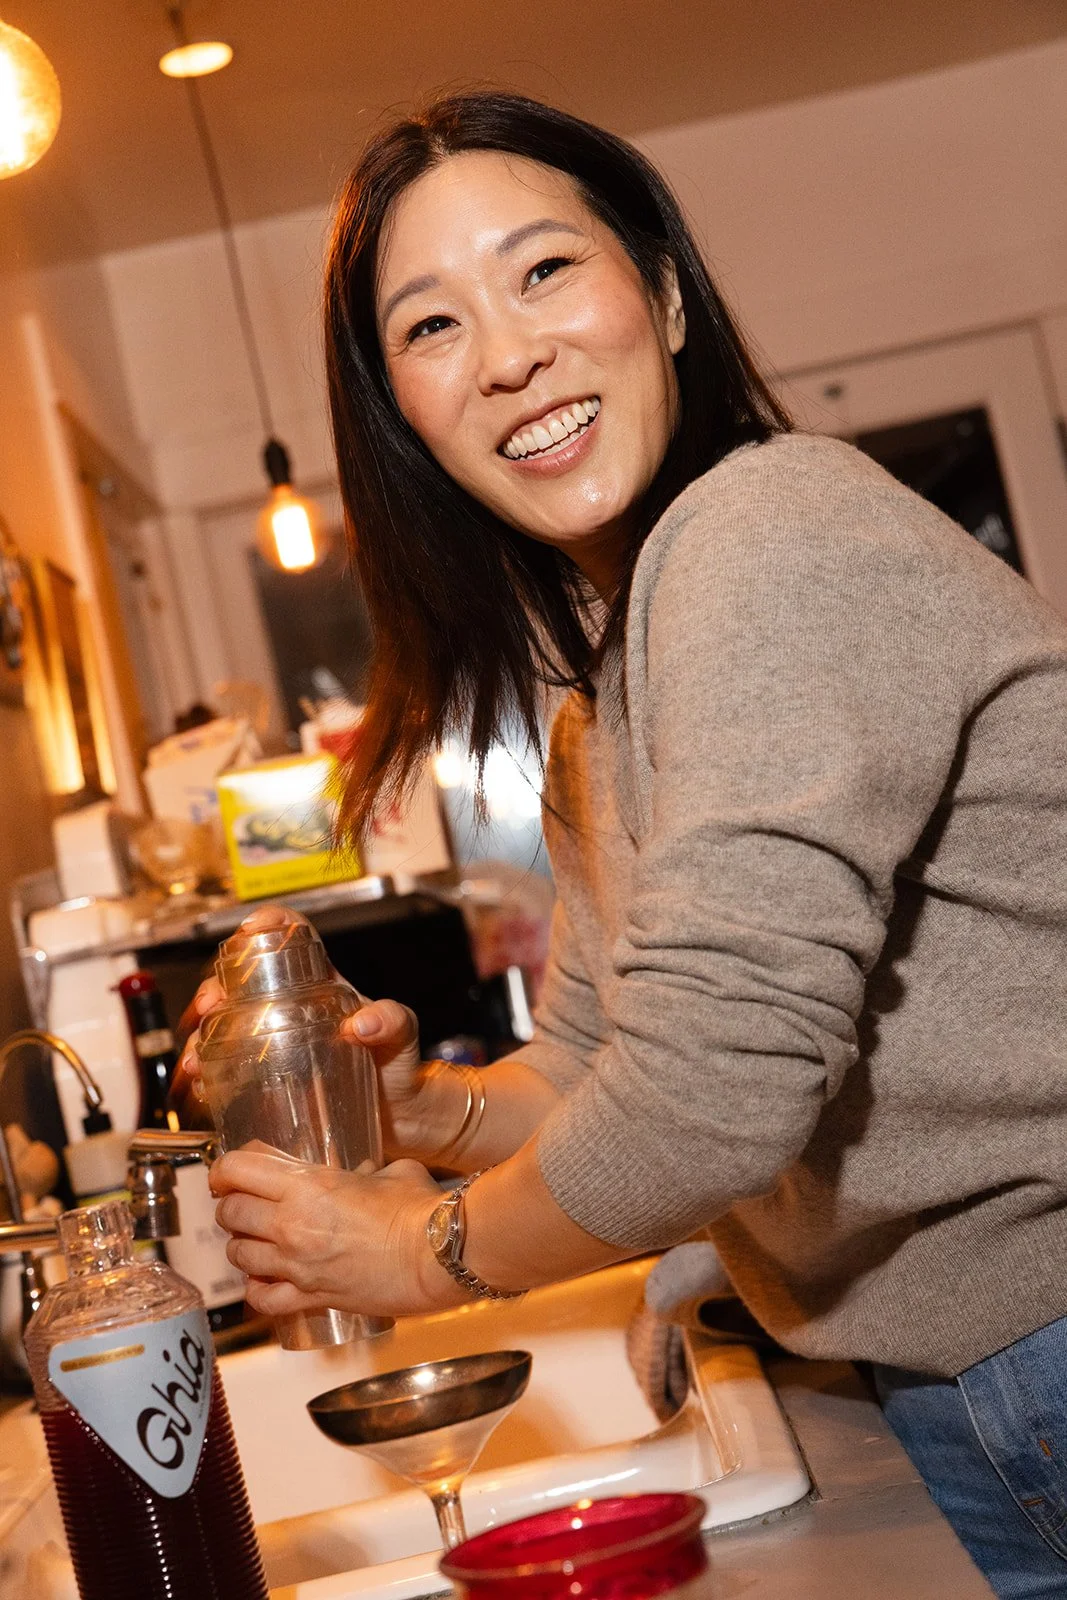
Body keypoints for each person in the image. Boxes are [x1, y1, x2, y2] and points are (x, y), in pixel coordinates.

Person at [174, 92, 1067, 1598]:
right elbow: (603, 1053)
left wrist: (416, 1254)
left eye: (542, 272)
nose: (508, 352)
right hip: (975, 1367)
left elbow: (710, 1092)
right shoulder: (606, 700)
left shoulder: (765, 531)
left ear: (657, 293)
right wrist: (434, 1117)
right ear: (400, 410)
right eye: (430, 325)